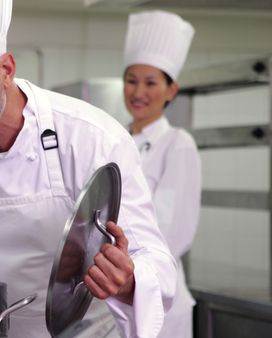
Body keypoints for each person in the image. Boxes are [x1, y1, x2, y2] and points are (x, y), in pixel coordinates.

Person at [0, 1, 177, 337]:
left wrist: (127, 281)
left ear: (6, 69)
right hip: (2, 326)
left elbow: (155, 260)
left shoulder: (91, 138)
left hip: (89, 331)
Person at [123, 10, 201, 338]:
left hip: (159, 296)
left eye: (151, 82)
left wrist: (128, 267)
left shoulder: (177, 144)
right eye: (131, 80)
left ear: (171, 91)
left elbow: (174, 231)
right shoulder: (116, 137)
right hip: (117, 287)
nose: (139, 92)